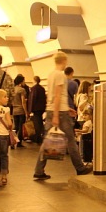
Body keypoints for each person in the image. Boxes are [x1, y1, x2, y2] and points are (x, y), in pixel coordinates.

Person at [33, 51, 92, 180]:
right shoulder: (60, 75)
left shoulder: (50, 74)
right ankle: (80, 167)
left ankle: (39, 170)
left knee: (47, 141)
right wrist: (58, 114)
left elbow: (52, 96)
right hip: (59, 113)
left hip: (52, 110)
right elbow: (58, 95)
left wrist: (66, 108)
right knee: (71, 140)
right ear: (64, 61)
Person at [28, 75, 46, 144]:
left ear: (34, 80)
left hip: (35, 108)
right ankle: (41, 136)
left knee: (37, 123)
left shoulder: (33, 89)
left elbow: (32, 99)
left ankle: (38, 138)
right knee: (40, 122)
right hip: (41, 108)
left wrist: (30, 109)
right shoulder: (42, 88)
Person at [11, 75, 28, 148]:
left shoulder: (13, 89)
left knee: (16, 127)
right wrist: (26, 112)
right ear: (21, 81)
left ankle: (12, 142)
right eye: (24, 81)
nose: (24, 82)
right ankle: (19, 143)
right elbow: (23, 102)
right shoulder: (22, 90)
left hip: (14, 110)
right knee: (21, 127)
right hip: (21, 110)